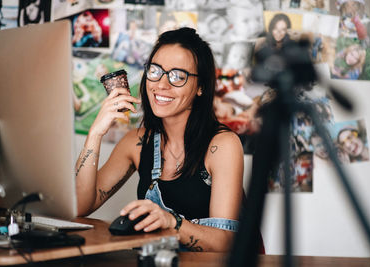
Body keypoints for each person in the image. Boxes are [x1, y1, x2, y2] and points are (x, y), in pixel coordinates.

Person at [75, 28, 259, 252]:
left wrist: (173, 223)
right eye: (155, 70)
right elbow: (80, 206)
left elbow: (227, 243)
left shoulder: (222, 145)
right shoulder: (136, 142)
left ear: (201, 87)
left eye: (178, 76)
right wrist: (95, 133)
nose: (161, 85)